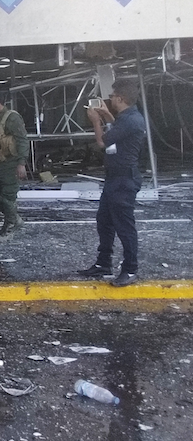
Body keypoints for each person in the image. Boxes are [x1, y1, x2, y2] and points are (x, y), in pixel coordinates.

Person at [78, 79, 146, 287]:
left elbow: (102, 142)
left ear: (121, 98)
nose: (112, 99)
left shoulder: (130, 121)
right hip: (115, 177)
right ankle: (103, 263)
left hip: (124, 179)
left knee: (124, 226)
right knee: (105, 221)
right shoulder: (126, 117)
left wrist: (95, 121)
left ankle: (130, 269)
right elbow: (115, 128)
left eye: (114, 97)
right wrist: (106, 115)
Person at [0, 90, 29, 242]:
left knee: (8, 198)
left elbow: (22, 140)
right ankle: (14, 218)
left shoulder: (13, 118)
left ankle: (8, 229)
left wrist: (21, 163)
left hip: (10, 164)